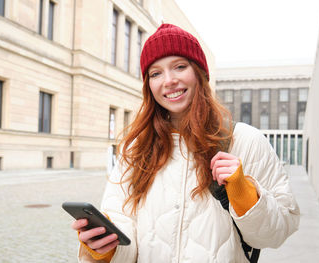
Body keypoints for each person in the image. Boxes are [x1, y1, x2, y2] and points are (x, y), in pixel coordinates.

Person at [71, 23, 300, 262]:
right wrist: (106, 249)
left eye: (179, 67)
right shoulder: (136, 148)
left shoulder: (245, 141)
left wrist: (245, 195)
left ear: (199, 74)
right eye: (156, 73)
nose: (168, 81)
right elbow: (122, 228)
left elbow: (276, 233)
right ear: (148, 85)